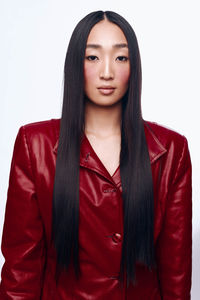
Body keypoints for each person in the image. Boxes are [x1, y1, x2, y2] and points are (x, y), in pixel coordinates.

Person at [0, 10, 192, 300]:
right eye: (92, 57)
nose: (107, 72)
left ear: (134, 66)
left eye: (120, 57)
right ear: (75, 65)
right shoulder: (35, 145)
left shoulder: (170, 151)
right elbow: (20, 272)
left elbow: (176, 274)